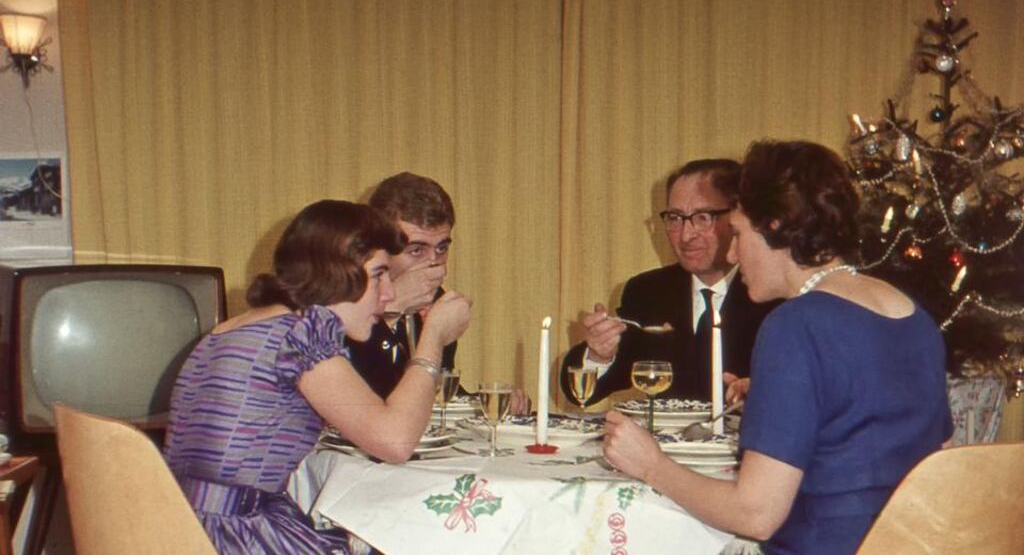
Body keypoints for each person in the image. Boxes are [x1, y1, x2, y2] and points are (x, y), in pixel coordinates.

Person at [602, 140, 953, 554]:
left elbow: (755, 514)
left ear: (773, 226)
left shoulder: (795, 324)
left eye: (737, 233)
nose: (732, 252)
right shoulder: (910, 313)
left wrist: (652, 465)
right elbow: (934, 461)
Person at [163, 200, 471, 555]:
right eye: (378, 275)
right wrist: (433, 337)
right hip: (234, 538)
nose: (388, 293)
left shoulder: (234, 329)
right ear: (336, 272)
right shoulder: (300, 336)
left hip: (184, 529)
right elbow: (395, 442)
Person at [559, 159, 776, 406]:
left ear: (738, 217)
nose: (686, 235)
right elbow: (581, 394)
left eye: (702, 217)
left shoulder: (773, 296)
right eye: (675, 218)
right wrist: (599, 355)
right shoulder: (648, 291)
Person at [349, 172, 530, 413]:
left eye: (442, 248)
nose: (435, 264)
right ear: (378, 247)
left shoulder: (435, 300)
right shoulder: (341, 299)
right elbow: (358, 400)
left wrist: (486, 404)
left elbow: (433, 391)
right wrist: (390, 310)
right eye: (416, 250)